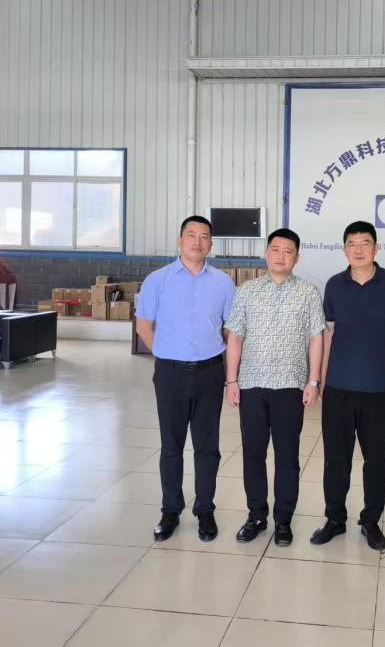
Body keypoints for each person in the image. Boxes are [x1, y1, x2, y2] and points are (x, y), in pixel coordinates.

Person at [311, 221, 385, 551]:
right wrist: (320, 380)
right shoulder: (334, 285)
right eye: (352, 244)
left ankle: (370, 520)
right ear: (344, 250)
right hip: (338, 387)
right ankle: (334, 518)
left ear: (376, 248)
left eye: (365, 243)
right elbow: (328, 334)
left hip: (378, 389)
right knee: (335, 459)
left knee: (377, 458)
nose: (358, 249)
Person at [135, 215, 235, 543]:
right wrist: (166, 352)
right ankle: (170, 510)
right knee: (171, 446)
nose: (197, 242)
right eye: (191, 235)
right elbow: (143, 326)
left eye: (204, 236)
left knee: (208, 447)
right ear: (179, 241)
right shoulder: (157, 280)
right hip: (170, 374)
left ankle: (205, 510)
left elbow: (230, 329)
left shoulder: (223, 283)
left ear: (211, 244)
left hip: (209, 373)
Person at [224, 228, 326, 546]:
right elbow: (235, 337)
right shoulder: (247, 291)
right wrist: (232, 380)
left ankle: (283, 520)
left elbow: (317, 338)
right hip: (252, 385)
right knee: (253, 453)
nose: (281, 256)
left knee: (287, 456)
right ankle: (256, 515)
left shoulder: (309, 293)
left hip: (290, 387)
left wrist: (313, 381)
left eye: (288, 251)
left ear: (297, 257)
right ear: (266, 253)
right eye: (276, 249)